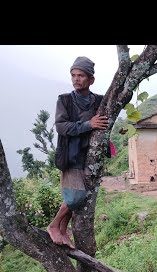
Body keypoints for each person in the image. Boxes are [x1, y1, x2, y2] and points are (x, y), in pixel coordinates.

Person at [47, 56, 109, 249]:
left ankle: (63, 231)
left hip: (89, 158)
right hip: (70, 156)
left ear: (91, 80)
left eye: (81, 75)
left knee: (80, 200)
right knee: (75, 197)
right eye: (73, 75)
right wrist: (88, 124)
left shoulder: (99, 101)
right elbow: (61, 127)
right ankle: (53, 225)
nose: (76, 79)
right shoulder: (64, 100)